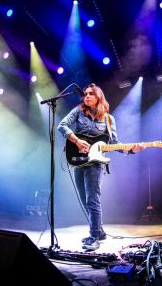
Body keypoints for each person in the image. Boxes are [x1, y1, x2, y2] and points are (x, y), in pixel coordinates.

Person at [58, 83, 145, 251]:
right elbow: (62, 125)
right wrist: (76, 140)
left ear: (99, 97)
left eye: (91, 94)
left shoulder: (108, 119)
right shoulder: (78, 111)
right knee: (85, 200)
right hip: (78, 160)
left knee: (92, 199)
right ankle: (100, 231)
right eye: (85, 94)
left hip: (96, 164)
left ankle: (94, 236)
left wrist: (132, 150)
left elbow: (114, 143)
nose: (87, 96)